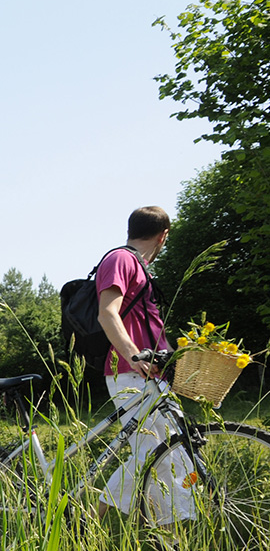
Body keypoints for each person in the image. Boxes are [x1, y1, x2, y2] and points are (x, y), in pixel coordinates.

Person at [95, 206, 191, 521]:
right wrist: (133, 354)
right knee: (156, 454)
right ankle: (91, 521)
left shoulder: (141, 267)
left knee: (171, 453)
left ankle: (171, 537)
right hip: (130, 372)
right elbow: (107, 312)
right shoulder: (121, 259)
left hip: (150, 375)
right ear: (163, 236)